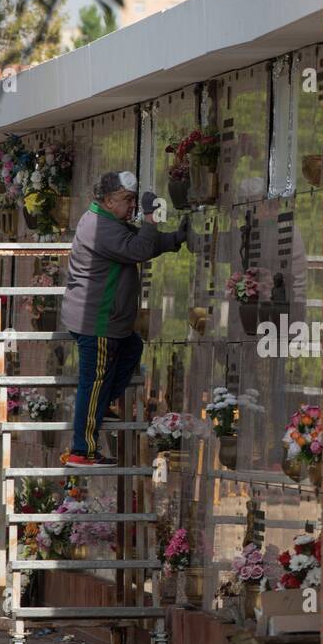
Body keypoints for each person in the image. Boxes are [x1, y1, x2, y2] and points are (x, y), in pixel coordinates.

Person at [61, 170, 190, 467]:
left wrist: (174, 239)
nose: (131, 205)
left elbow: (140, 243)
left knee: (132, 348)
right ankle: (82, 451)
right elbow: (139, 248)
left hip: (108, 322)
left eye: (133, 200)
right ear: (107, 200)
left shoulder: (107, 222)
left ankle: (101, 406)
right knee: (92, 384)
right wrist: (149, 217)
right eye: (126, 199)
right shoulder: (99, 228)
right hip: (98, 323)